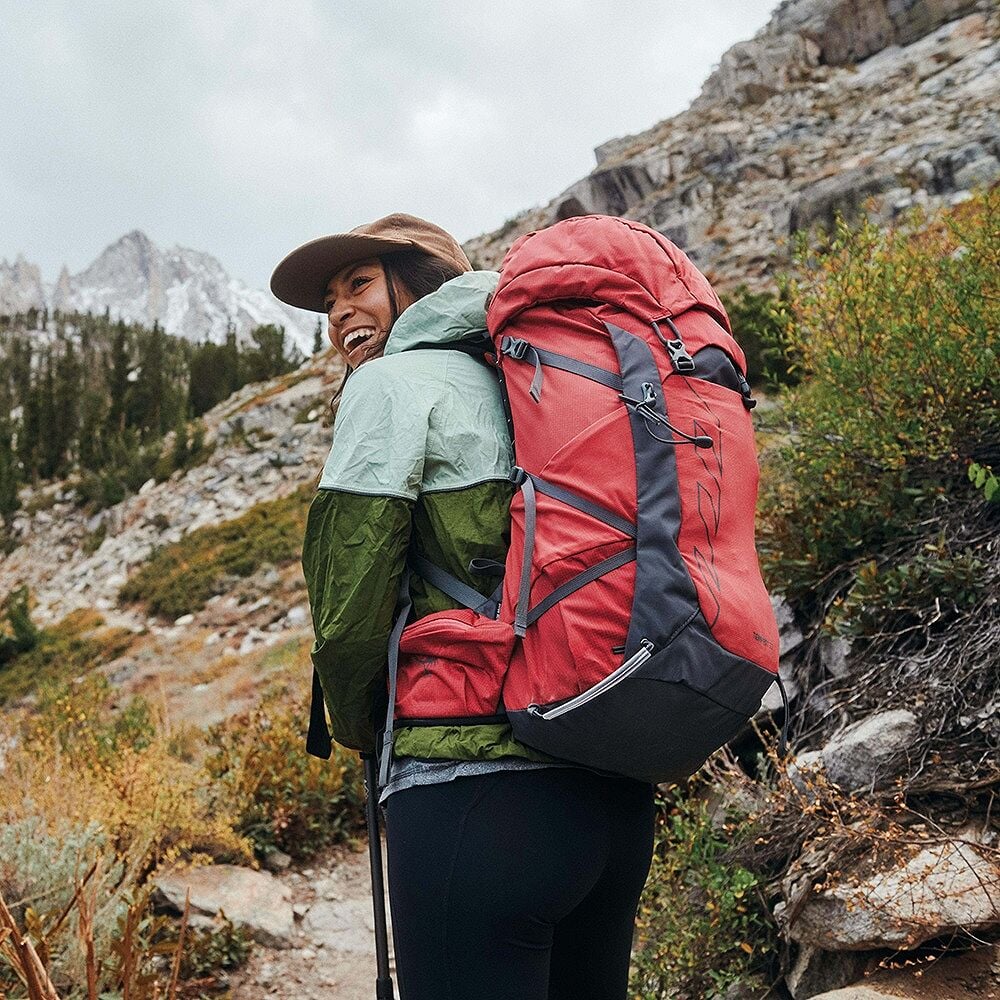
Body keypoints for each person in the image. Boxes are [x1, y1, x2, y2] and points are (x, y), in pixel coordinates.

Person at [271, 213, 655, 1000]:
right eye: (330, 301)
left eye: (360, 284)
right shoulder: (557, 380)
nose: (340, 310)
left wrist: (357, 724)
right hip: (613, 793)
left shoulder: (390, 385)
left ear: (418, 284)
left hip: (474, 798)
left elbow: (349, 605)